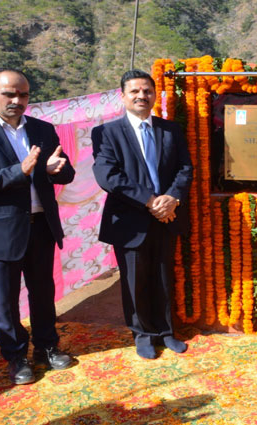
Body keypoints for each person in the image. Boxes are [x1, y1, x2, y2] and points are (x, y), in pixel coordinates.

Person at [0, 68, 76, 385]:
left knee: (43, 293)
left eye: (23, 94)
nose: (16, 100)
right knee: (6, 300)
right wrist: (21, 171)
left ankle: (47, 348)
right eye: (9, 94)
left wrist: (55, 170)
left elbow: (64, 172)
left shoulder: (43, 130)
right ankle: (16, 356)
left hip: (40, 227)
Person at [92, 69, 193, 359]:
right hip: (130, 220)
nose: (141, 96)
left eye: (147, 90)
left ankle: (166, 331)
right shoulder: (106, 133)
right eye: (134, 91)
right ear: (122, 96)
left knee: (163, 276)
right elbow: (108, 176)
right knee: (135, 281)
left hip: (167, 217)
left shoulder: (170, 130)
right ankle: (143, 334)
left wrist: (171, 199)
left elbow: (184, 169)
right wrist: (150, 201)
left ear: (154, 95)